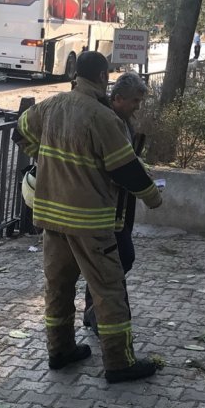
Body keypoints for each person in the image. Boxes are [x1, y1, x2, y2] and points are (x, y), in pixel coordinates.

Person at [14, 52, 162, 384]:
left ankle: (60, 350)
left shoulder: (50, 106)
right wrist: (152, 196)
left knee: (59, 287)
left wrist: (42, 157)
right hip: (90, 222)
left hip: (52, 218)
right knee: (108, 290)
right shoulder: (102, 117)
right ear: (100, 76)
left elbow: (19, 131)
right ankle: (119, 362)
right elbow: (125, 168)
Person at [82, 71, 148, 336]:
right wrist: (150, 192)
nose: (137, 107)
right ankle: (102, 313)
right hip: (108, 206)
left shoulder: (122, 120)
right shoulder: (107, 121)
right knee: (120, 258)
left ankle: (95, 311)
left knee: (112, 261)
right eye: (134, 101)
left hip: (122, 202)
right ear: (118, 98)